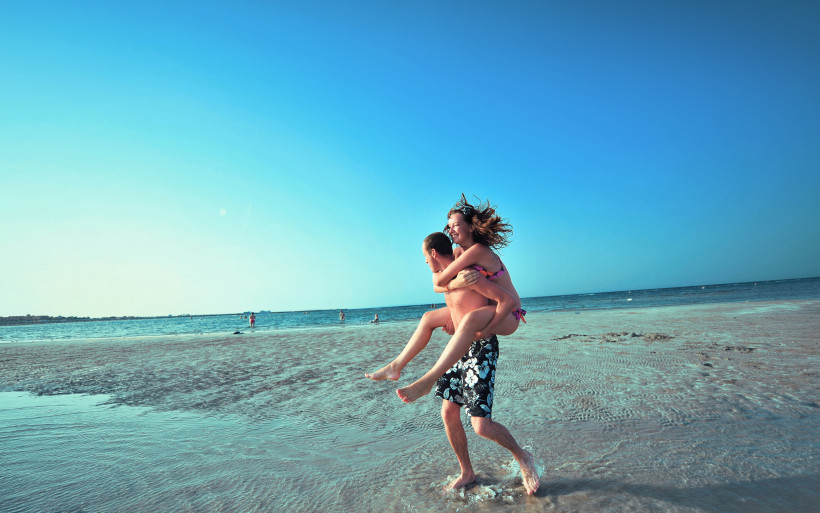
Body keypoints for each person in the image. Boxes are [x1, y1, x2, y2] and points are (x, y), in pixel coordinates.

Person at [372, 232, 539, 494]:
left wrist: (486, 327)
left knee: (481, 426)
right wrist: (453, 303)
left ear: (433, 254)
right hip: (457, 348)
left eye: (425, 257)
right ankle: (467, 472)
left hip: (481, 347)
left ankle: (523, 456)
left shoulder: (470, 273)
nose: (425, 262)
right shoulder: (447, 276)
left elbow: (503, 301)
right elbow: (439, 286)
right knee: (448, 413)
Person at [395, 196, 525, 404]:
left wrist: (485, 331)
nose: (451, 230)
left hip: (508, 313)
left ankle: (428, 380)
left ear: (471, 227)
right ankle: (396, 366)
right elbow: (437, 283)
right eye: (449, 226)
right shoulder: (458, 253)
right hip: (490, 308)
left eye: (456, 225)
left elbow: (441, 280)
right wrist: (454, 289)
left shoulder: (478, 251)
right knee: (429, 318)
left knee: (470, 320)